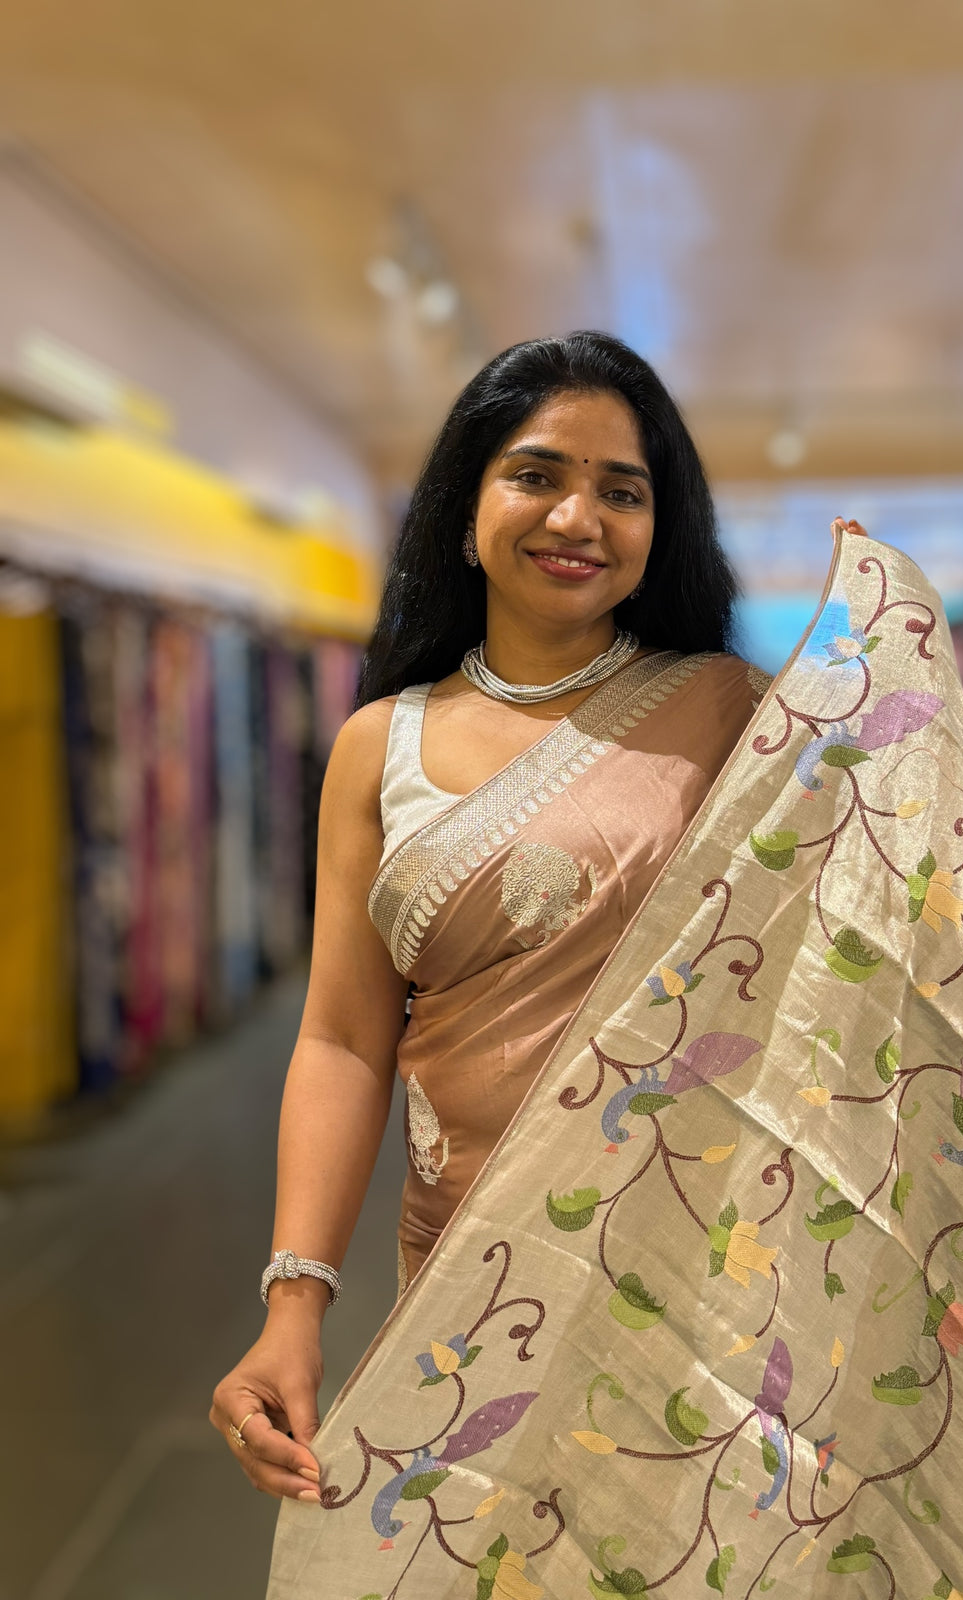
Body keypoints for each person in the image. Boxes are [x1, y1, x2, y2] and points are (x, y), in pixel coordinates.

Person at [209, 331, 771, 1504]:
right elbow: (345, 1038)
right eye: (537, 474)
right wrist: (293, 1300)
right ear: (464, 508)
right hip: (465, 1268)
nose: (579, 516)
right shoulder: (380, 744)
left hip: (692, 1252)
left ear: (659, 527)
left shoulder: (730, 716)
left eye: (623, 491)